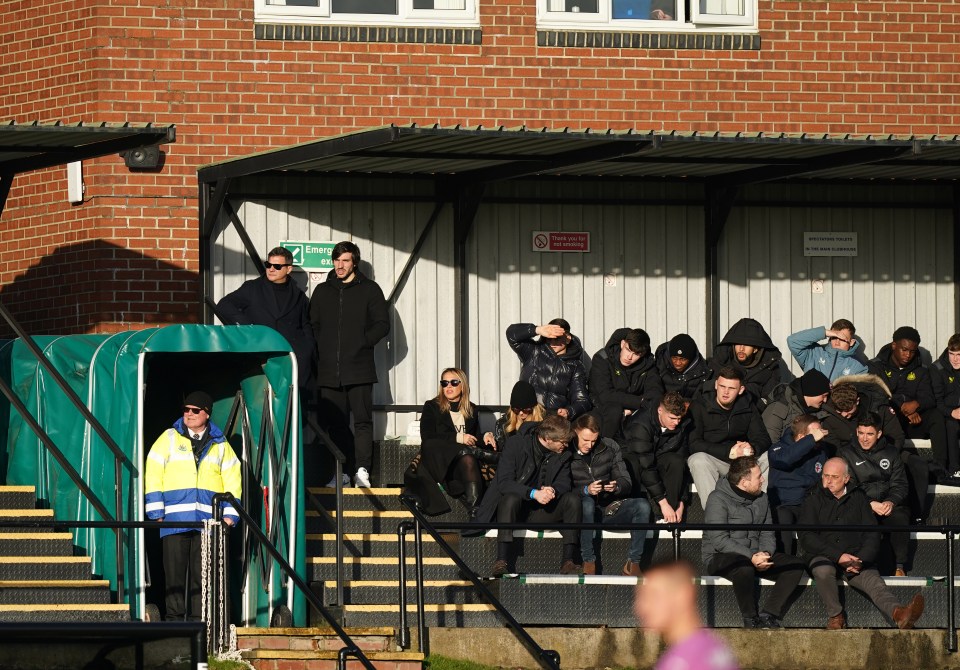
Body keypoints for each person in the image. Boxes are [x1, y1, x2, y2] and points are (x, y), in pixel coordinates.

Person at [144, 391, 241, 621]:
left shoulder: (221, 444)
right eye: (186, 409)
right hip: (174, 520)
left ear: (206, 414)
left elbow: (233, 481)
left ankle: (200, 628)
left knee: (203, 579)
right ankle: (175, 627)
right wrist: (156, 512)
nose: (189, 414)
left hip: (208, 523)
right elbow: (153, 471)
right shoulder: (168, 437)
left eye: (195, 410)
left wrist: (229, 517)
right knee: (174, 578)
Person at [798, 457, 924, 630]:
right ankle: (836, 616)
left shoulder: (859, 498)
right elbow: (806, 536)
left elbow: (872, 533)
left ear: (846, 478)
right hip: (824, 556)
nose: (828, 481)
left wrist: (861, 559)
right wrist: (839, 556)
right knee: (823, 570)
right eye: (826, 476)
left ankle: (899, 614)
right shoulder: (812, 498)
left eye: (834, 477)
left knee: (875, 583)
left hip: (855, 557)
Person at [309, 241, 390, 488]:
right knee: (336, 424)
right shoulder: (322, 291)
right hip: (328, 372)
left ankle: (362, 470)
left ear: (354, 262)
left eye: (345, 260)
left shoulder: (370, 290)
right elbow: (313, 326)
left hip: (360, 368)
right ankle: (343, 472)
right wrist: (320, 352)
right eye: (336, 260)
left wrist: (363, 343)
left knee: (363, 421)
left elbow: (382, 324)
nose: (340, 265)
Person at [701, 456, 805, 629]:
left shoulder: (762, 498)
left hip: (756, 555)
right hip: (720, 556)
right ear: (744, 482)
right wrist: (751, 556)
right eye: (758, 477)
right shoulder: (717, 499)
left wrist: (765, 553)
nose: (763, 479)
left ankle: (769, 614)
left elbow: (767, 531)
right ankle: (750, 618)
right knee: (743, 567)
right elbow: (719, 540)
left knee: (795, 565)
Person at [474, 414, 582, 577]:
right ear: (547, 438)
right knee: (510, 498)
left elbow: (564, 483)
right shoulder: (516, 444)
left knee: (573, 500)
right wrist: (533, 493)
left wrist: (553, 490)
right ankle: (501, 560)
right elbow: (504, 483)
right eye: (562, 442)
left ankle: (568, 561)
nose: (566, 446)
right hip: (514, 510)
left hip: (543, 510)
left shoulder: (563, 454)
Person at [216, 246, 315, 388]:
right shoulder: (252, 288)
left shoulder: (299, 296)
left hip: (291, 360)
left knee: (292, 405)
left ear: (288, 269)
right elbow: (224, 305)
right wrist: (250, 328)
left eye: (277, 266)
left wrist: (307, 351)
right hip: (259, 358)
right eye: (268, 265)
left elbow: (305, 326)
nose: (271, 269)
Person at [404, 369, 494, 517]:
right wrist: (458, 438)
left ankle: (475, 512)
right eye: (444, 383)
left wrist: (485, 436)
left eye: (454, 382)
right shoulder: (432, 406)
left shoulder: (471, 409)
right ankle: (476, 513)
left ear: (463, 386)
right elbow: (427, 436)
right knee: (461, 453)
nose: (449, 387)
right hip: (439, 460)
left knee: (468, 457)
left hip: (461, 461)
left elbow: (472, 437)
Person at [570, 414, 651, 577]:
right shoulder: (566, 450)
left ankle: (632, 563)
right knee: (587, 503)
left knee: (642, 505)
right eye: (585, 440)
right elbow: (563, 490)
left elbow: (626, 481)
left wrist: (616, 486)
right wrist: (586, 490)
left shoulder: (610, 446)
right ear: (575, 432)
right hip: (581, 510)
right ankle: (588, 561)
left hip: (607, 508)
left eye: (593, 440)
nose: (589, 445)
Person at [869, 326, 951, 482]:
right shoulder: (876, 366)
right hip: (890, 425)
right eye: (904, 350)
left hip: (914, 423)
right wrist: (904, 407)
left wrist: (917, 404)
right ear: (894, 346)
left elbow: (929, 397)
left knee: (936, 415)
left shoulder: (921, 369)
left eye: (912, 351)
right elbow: (881, 394)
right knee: (883, 409)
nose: (908, 355)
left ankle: (940, 469)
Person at [688, 367, 771, 510]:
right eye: (722, 386)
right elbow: (694, 444)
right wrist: (729, 452)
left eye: (731, 388)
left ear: (740, 390)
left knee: (770, 456)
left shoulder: (747, 405)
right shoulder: (700, 405)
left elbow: (763, 438)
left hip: (742, 462)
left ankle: (757, 510)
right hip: (716, 460)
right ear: (716, 385)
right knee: (697, 459)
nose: (725, 392)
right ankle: (715, 516)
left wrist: (751, 448)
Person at [838, 413, 911, 575]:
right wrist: (870, 503)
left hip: (887, 503)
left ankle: (899, 567)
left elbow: (900, 484)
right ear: (856, 432)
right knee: (863, 520)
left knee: (900, 517)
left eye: (870, 434)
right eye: (861, 433)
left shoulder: (891, 453)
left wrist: (891, 501)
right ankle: (861, 565)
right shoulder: (846, 453)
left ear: (879, 434)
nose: (864, 438)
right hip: (860, 504)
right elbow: (848, 486)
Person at [635, 560, 740, 670]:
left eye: (653, 595)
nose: (641, 607)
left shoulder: (681, 662)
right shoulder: (713, 646)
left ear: (683, 594)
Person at [621, 392, 692, 523]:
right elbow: (646, 466)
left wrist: (681, 503)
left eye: (679, 418)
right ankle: (653, 511)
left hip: (656, 458)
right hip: (635, 462)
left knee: (676, 461)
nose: (676, 423)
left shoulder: (681, 424)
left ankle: (670, 514)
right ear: (660, 410)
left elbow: (683, 462)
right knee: (637, 463)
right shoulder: (640, 424)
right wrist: (663, 503)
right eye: (672, 418)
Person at [767, 414, 831, 555]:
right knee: (783, 522)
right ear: (802, 437)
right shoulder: (778, 448)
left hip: (808, 502)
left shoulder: (820, 451)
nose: (820, 436)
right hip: (784, 504)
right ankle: (786, 565)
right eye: (815, 433)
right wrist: (811, 440)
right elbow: (784, 460)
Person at [506, 319, 591, 419]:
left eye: (557, 338)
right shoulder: (533, 351)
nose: (552, 342)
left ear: (567, 338)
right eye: (549, 338)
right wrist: (536, 330)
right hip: (526, 413)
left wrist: (568, 411)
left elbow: (582, 400)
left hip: (552, 421)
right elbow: (511, 334)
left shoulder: (576, 366)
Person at [588, 327, 664, 437]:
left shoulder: (648, 365)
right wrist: (639, 402)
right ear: (622, 344)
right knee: (614, 411)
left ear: (642, 354)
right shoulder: (603, 359)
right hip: (601, 409)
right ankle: (605, 447)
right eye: (628, 350)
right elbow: (605, 395)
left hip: (634, 411)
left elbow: (655, 392)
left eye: (636, 354)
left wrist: (632, 409)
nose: (629, 357)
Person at [709, 318, 786, 403]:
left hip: (755, 413)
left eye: (747, 344)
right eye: (738, 344)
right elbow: (709, 392)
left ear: (755, 349)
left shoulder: (769, 368)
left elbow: (770, 400)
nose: (741, 348)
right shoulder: (721, 362)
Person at [761, 369, 831, 444]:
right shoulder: (778, 409)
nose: (825, 400)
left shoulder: (821, 410)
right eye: (823, 396)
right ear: (812, 392)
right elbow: (771, 443)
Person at [786, 320, 869, 382]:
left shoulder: (859, 367)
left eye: (842, 339)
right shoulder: (814, 353)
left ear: (851, 342)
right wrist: (825, 332)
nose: (837, 342)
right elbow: (792, 341)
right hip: (808, 404)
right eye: (834, 337)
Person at [483, 381, 545, 451]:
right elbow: (500, 453)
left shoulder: (544, 423)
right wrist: (487, 436)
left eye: (526, 409)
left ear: (533, 408)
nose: (521, 413)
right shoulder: (503, 425)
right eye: (516, 409)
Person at [655, 333, 711, 404]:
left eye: (683, 359)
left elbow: (699, 402)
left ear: (691, 360)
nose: (678, 363)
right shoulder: (659, 366)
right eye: (674, 358)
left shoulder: (702, 374)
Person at [933, 333, 960, 479]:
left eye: (959, 354)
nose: (955, 359)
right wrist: (952, 412)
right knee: (951, 426)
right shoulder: (938, 368)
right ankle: (954, 469)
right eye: (952, 354)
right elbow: (936, 401)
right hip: (947, 414)